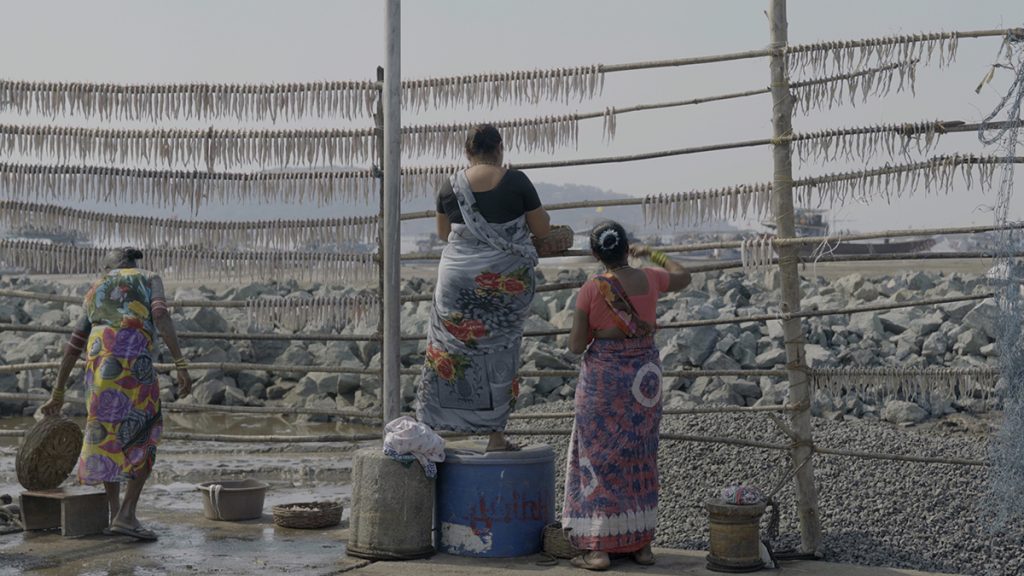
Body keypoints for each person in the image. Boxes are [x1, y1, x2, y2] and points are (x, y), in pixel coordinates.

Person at [562, 221, 691, 571]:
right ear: (626, 247)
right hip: (644, 380)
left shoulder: (591, 289)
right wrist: (653, 254)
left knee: (598, 457)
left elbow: (576, 346)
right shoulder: (651, 277)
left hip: (604, 380)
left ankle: (598, 548)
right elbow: (684, 276)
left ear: (595, 254)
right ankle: (641, 545)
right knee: (639, 453)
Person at [42, 248, 192, 541]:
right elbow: (160, 315)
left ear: (109, 267)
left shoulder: (97, 287)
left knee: (107, 437)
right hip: (133, 365)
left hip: (98, 370)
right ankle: (127, 515)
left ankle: (115, 514)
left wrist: (58, 391)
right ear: (131, 264)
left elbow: (74, 342)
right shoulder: (149, 277)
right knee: (144, 435)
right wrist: (180, 363)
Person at [416, 123, 551, 452]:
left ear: (467, 152)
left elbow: (443, 233)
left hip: (456, 280)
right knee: (501, 353)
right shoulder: (516, 181)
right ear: (500, 148)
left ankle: (434, 432)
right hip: (501, 284)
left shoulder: (450, 185)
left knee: (447, 352)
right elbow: (542, 228)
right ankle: (495, 437)